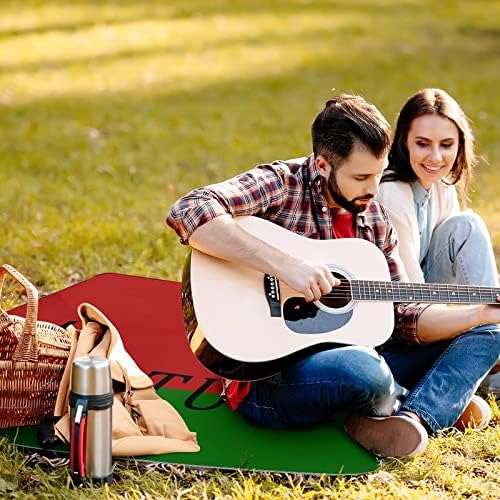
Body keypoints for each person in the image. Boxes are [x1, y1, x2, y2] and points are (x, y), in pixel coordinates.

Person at [167, 94, 500, 458]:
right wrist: (284, 264)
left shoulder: (373, 217)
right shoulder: (282, 183)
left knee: (490, 332)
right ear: (323, 165)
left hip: (365, 352)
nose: (373, 190)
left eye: (378, 173)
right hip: (269, 377)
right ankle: (429, 398)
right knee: (363, 371)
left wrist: (477, 314)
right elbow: (190, 209)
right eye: (360, 177)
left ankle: (415, 418)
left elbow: (405, 314)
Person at [376, 88, 500, 394]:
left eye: (447, 145)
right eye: (422, 144)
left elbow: (460, 280)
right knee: (468, 226)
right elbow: (412, 301)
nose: (435, 157)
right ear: (404, 141)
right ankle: (486, 360)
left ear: (460, 145)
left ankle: (488, 353)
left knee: (465, 225)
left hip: (436, 312)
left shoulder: (441, 185)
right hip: (401, 326)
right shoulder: (393, 192)